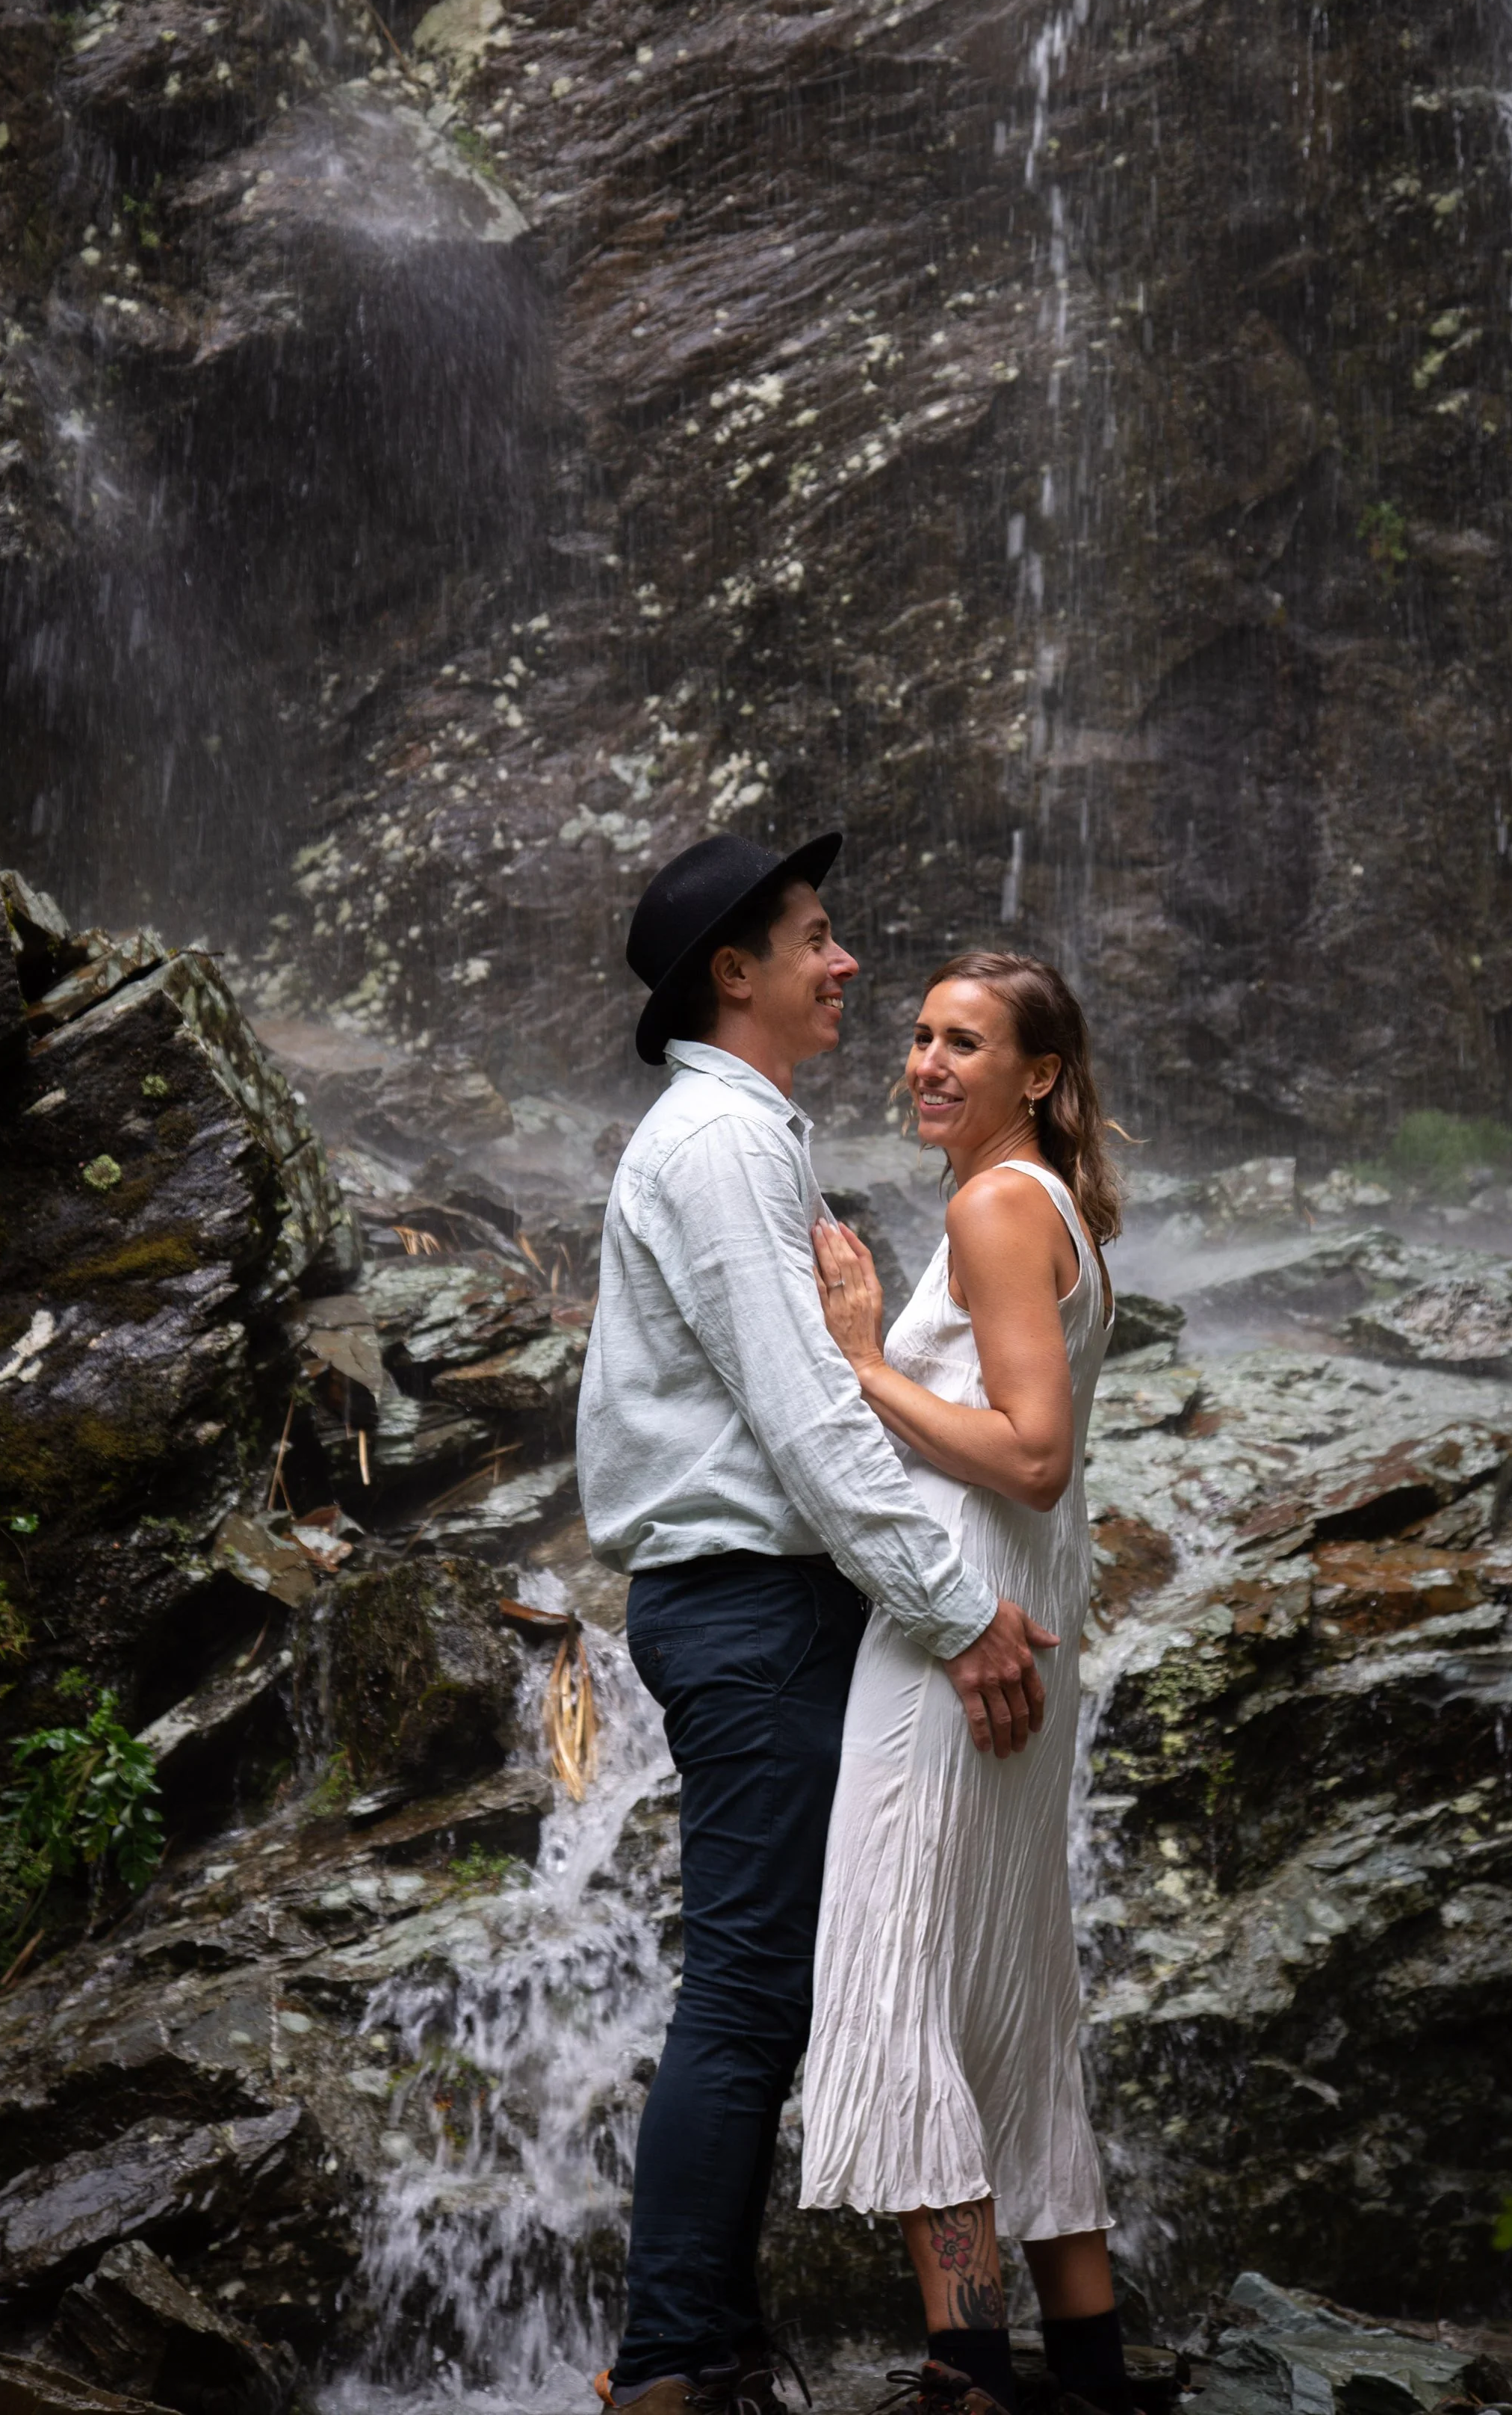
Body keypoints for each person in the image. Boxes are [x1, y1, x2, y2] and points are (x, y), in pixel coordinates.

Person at [578, 836, 1060, 2415]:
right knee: (741, 1988)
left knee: (761, 1984)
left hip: (758, 1602)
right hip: (746, 1604)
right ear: (736, 971)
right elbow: (800, 1412)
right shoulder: (718, 1147)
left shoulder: (741, 1136)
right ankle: (671, 2363)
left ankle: (700, 2349)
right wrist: (953, 1609)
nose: (846, 967)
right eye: (817, 939)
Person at [799, 951, 1133, 2415]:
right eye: (918, 1037)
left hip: (953, 1651)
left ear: (1038, 1078)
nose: (927, 1062)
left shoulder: (997, 1206)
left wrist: (859, 1360)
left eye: (967, 1043)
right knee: (1006, 2001)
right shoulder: (1045, 1207)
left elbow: (1031, 1453)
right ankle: (1091, 2371)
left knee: (901, 1978)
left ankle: (964, 2369)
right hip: (1010, 1630)